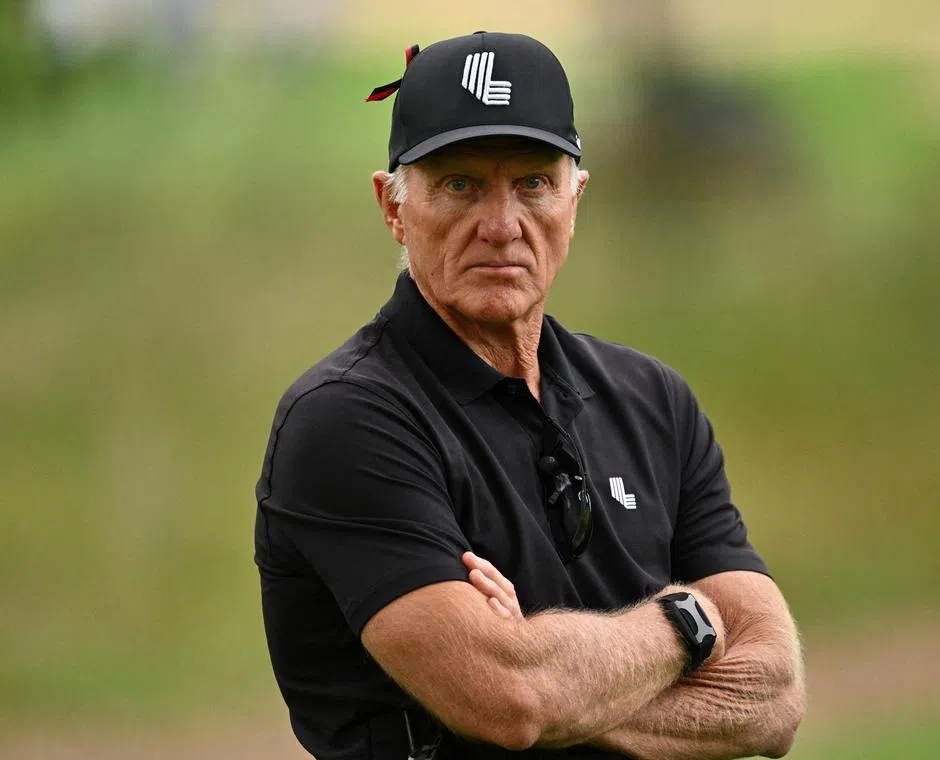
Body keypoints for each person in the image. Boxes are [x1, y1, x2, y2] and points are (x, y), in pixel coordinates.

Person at [254, 31, 805, 760]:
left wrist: (559, 688)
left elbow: (771, 700)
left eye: (534, 184)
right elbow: (508, 701)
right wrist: (688, 622)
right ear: (393, 205)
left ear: (576, 198)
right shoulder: (346, 422)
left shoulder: (653, 402)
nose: (502, 226)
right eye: (460, 185)